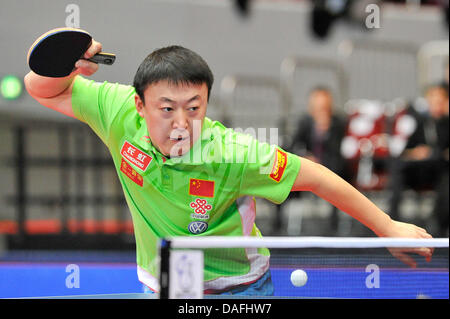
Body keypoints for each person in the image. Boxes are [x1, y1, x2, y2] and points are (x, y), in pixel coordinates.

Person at [24, 34, 434, 296]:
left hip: (238, 288)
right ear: (140, 105)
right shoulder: (116, 112)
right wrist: (68, 62)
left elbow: (316, 177)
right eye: (166, 109)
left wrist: (388, 227)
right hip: (167, 285)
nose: (181, 124)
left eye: (194, 108)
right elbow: (40, 87)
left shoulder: (233, 153)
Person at [388, 83, 449, 237]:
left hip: (441, 171)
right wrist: (415, 153)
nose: (435, 102)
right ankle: (391, 223)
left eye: (439, 99)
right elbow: (405, 152)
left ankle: (440, 230)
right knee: (397, 168)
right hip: (420, 169)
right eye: (432, 98)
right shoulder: (420, 123)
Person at [287, 87, 348, 234]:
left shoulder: (339, 123)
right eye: (318, 107)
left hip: (332, 169)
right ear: (311, 107)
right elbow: (291, 147)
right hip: (307, 170)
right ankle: (278, 225)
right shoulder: (305, 123)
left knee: (338, 176)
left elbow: (338, 153)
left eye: (325, 107)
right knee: (284, 175)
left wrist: (325, 133)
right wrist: (305, 157)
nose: (322, 111)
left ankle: (334, 226)